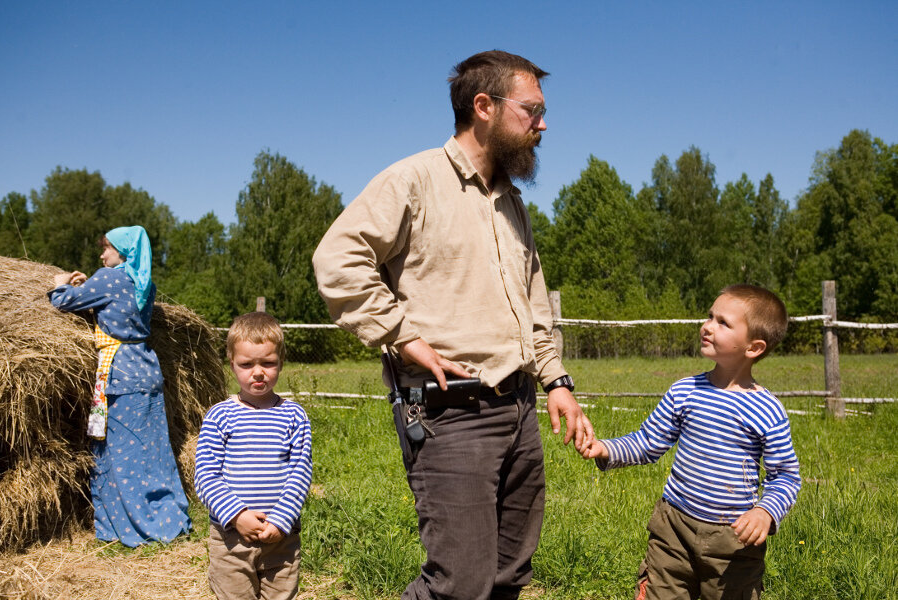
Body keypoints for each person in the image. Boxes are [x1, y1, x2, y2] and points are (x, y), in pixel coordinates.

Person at [312, 50, 594, 600]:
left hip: (519, 410)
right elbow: (337, 260)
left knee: (509, 575)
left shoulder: (512, 201)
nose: (544, 124)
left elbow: (532, 302)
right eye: (532, 109)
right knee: (461, 584)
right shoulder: (412, 181)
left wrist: (555, 381)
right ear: (484, 106)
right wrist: (402, 334)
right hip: (448, 411)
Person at [585, 284, 802, 600]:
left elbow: (785, 476)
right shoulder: (684, 391)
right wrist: (606, 448)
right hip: (672, 530)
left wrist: (765, 512)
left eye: (723, 323)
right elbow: (649, 441)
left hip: (733, 543)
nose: (708, 326)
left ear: (753, 348)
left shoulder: (766, 410)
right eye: (710, 316)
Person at [48, 225, 191, 547]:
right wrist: (91, 287)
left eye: (107, 248)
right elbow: (112, 303)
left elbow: (64, 302)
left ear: (123, 251)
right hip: (146, 368)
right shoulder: (144, 282)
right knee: (152, 452)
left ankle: (140, 526)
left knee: (121, 454)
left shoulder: (109, 276)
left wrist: (60, 284)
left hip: (121, 374)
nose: (102, 254)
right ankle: (167, 516)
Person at [194, 311, 312, 600]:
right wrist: (237, 515)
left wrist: (282, 519)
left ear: (281, 363)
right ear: (232, 364)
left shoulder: (294, 415)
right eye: (247, 364)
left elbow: (300, 472)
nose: (257, 372)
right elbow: (205, 475)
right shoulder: (220, 415)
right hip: (231, 538)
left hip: (281, 538)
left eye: (268, 363)